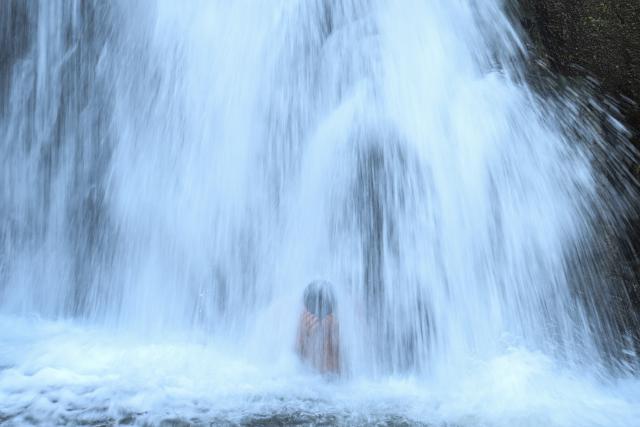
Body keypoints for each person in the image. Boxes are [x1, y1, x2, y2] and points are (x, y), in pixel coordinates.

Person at [295, 280, 341, 374]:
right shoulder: (299, 323)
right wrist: (303, 336)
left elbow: (334, 374)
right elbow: (292, 364)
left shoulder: (338, 328)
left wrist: (329, 336)